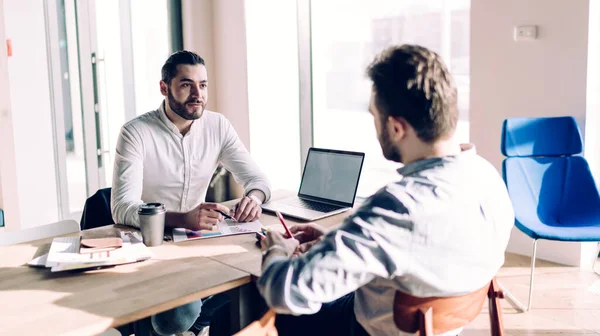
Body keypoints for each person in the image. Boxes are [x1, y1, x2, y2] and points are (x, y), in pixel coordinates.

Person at [255, 45, 515, 336]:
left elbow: (285, 293)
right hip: (442, 328)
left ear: (396, 127)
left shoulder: (398, 205)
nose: (374, 125)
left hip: (370, 331)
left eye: (374, 116)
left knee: (256, 298)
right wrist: (338, 240)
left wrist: (277, 248)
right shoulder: (487, 177)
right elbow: (423, 249)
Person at [111, 50, 271, 336]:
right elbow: (122, 207)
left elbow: (258, 179)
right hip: (153, 247)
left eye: (203, 85)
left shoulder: (217, 125)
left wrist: (254, 198)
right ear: (164, 88)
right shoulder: (136, 132)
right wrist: (182, 218)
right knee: (177, 316)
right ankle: (191, 322)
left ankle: (198, 323)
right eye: (186, 85)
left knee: (265, 269)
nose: (197, 94)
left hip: (201, 242)